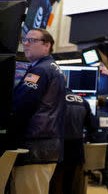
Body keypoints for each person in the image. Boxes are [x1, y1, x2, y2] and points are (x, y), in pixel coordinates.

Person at [10, 28, 66, 194]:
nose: (26, 44)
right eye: (25, 40)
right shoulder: (54, 68)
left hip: (34, 147)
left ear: (47, 45)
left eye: (32, 40)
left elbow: (20, 105)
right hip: (46, 147)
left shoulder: (40, 70)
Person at [50, 86, 96, 194]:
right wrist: (86, 137)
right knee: (72, 185)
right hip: (77, 151)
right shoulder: (82, 101)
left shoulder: (55, 99)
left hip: (57, 150)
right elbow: (93, 126)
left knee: (56, 184)